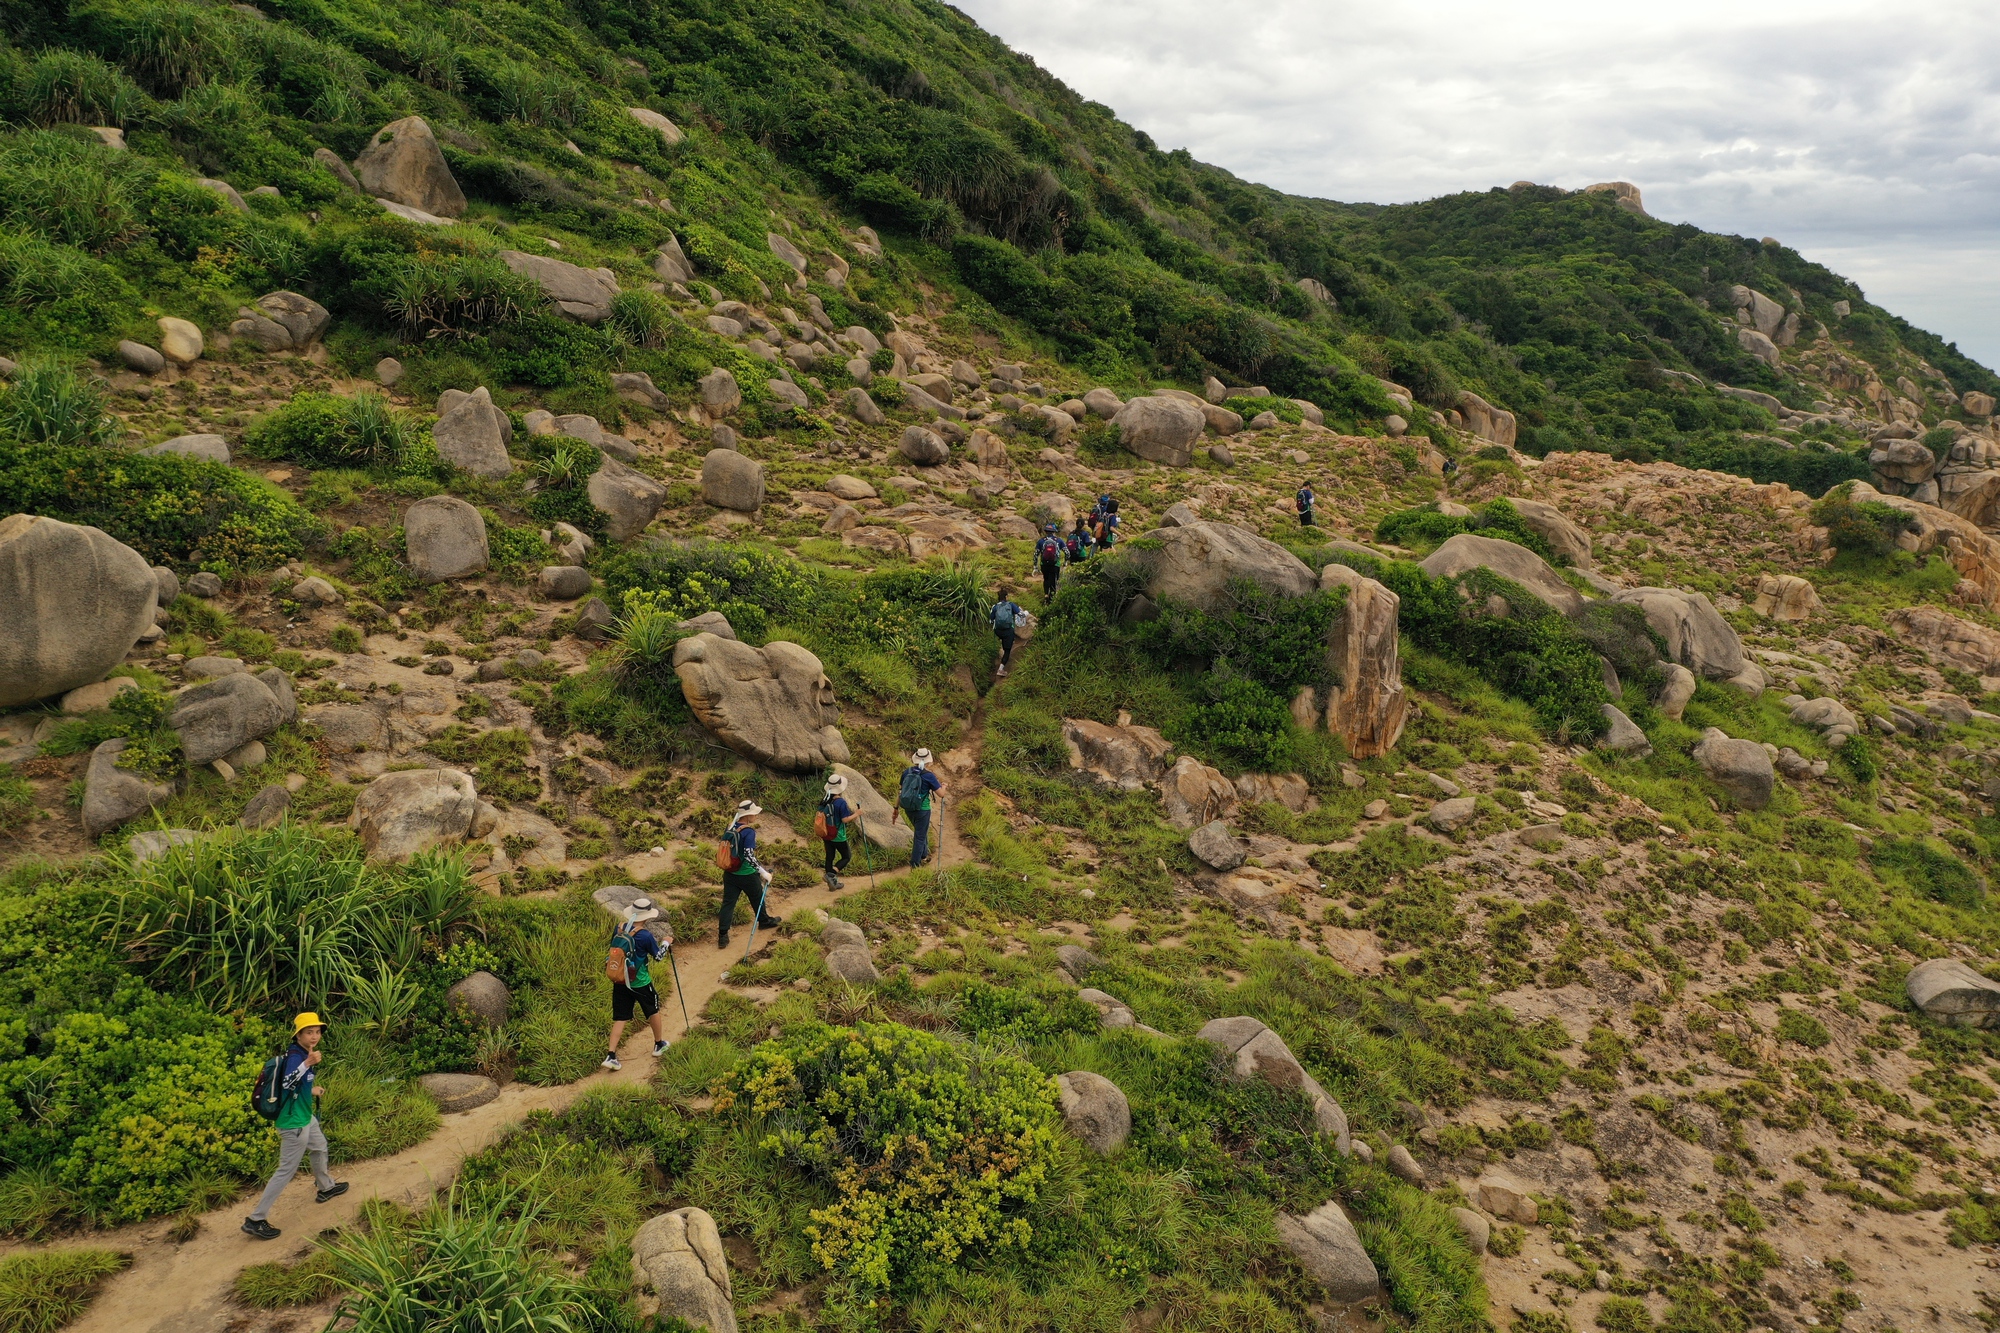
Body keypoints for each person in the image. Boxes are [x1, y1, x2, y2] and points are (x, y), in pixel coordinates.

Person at [242, 1013, 346, 1241]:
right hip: (293, 1123)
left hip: (304, 1116)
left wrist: (312, 1089)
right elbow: (287, 1082)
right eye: (309, 1032)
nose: (314, 1036)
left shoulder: (302, 1053)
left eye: (317, 1032)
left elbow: (298, 1086)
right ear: (298, 1034)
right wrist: (307, 1064)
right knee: (286, 1170)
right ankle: (256, 1219)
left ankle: (326, 1187)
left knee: (319, 1146)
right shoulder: (296, 1057)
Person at [602, 898, 672, 1071]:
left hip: (620, 980)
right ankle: (658, 1044)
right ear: (647, 917)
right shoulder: (645, 935)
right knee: (653, 1010)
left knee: (621, 1017)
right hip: (640, 982)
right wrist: (666, 943)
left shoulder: (619, 928)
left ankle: (611, 1055)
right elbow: (657, 956)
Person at [718, 800, 781, 950]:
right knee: (757, 897)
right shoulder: (749, 832)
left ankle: (722, 936)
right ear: (747, 816)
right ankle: (764, 921)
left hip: (730, 873)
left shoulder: (730, 827)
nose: (756, 816)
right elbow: (748, 855)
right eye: (754, 813)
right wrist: (763, 872)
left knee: (728, 903)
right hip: (747, 874)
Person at [890, 748, 944, 868]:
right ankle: (915, 864)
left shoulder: (907, 772)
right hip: (922, 809)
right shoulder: (929, 776)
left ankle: (924, 855)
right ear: (928, 761)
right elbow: (941, 794)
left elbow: (901, 792)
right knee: (919, 836)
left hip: (908, 808)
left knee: (921, 831)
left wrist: (896, 808)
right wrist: (944, 786)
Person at [817, 773, 859, 889]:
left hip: (825, 834)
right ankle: (831, 875)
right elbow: (845, 820)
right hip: (838, 835)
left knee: (829, 857)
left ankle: (832, 884)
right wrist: (857, 814)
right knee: (846, 856)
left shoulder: (825, 800)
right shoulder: (841, 802)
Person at [991, 584, 1024, 678]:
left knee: (1004, 639)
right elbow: (1021, 615)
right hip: (1008, 631)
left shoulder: (995, 607)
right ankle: (1000, 669)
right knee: (1007, 651)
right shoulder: (1010, 605)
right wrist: (1025, 612)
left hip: (998, 631)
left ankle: (1002, 647)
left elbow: (991, 620)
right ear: (1006, 597)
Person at [1034, 523, 1064, 599]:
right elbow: (1067, 552)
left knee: (1046, 579)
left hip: (1044, 564)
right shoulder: (1059, 540)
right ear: (1054, 531)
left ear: (1046, 531)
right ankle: (1051, 598)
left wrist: (1035, 566)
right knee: (1053, 581)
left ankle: (1046, 594)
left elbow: (1036, 554)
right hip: (1055, 564)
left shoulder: (1041, 541)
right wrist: (1066, 562)